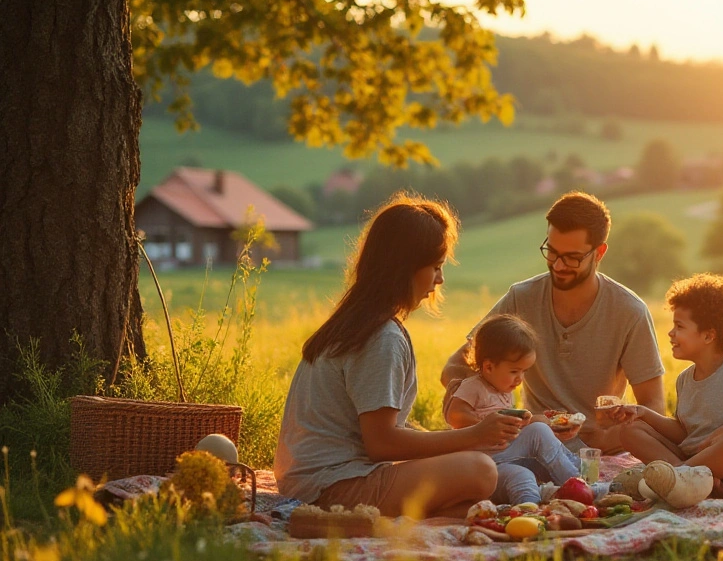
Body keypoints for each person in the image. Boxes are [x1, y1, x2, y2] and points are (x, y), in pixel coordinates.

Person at [274, 193, 518, 518]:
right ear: (404, 267)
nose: (440, 280)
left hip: (307, 481)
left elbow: (381, 432)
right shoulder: (381, 337)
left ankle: (432, 516)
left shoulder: (357, 322)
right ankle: (348, 521)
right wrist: (472, 436)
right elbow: (382, 444)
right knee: (482, 471)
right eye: (435, 267)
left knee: (477, 503)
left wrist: (458, 438)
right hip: (334, 486)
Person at [440, 191, 666, 453]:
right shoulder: (521, 299)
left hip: (602, 450)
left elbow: (653, 406)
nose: (558, 265)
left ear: (599, 253)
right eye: (552, 252)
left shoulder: (629, 311)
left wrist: (607, 438)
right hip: (530, 443)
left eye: (572, 257)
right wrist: (482, 414)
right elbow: (456, 366)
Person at [610, 274, 723, 498]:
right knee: (631, 431)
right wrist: (643, 413)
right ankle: (687, 480)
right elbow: (685, 433)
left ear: (709, 335)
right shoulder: (685, 379)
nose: (671, 333)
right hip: (698, 459)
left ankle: (677, 477)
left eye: (679, 326)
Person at [443, 314, 593, 505]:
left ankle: (531, 509)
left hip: (505, 461)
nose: (520, 379)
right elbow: (454, 415)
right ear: (488, 367)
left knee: (526, 473)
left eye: (524, 371)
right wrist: (485, 423)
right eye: (514, 371)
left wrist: (529, 422)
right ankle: (582, 485)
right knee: (537, 433)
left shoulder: (504, 390)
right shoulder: (473, 386)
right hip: (481, 460)